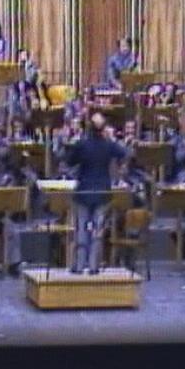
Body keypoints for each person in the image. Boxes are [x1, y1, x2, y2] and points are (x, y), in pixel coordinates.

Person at [65, 112, 126, 274]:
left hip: (84, 191)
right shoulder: (108, 144)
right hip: (102, 192)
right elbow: (124, 153)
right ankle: (93, 267)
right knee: (97, 231)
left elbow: (69, 161)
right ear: (103, 128)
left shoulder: (82, 144)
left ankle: (78, 266)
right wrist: (111, 138)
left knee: (81, 230)